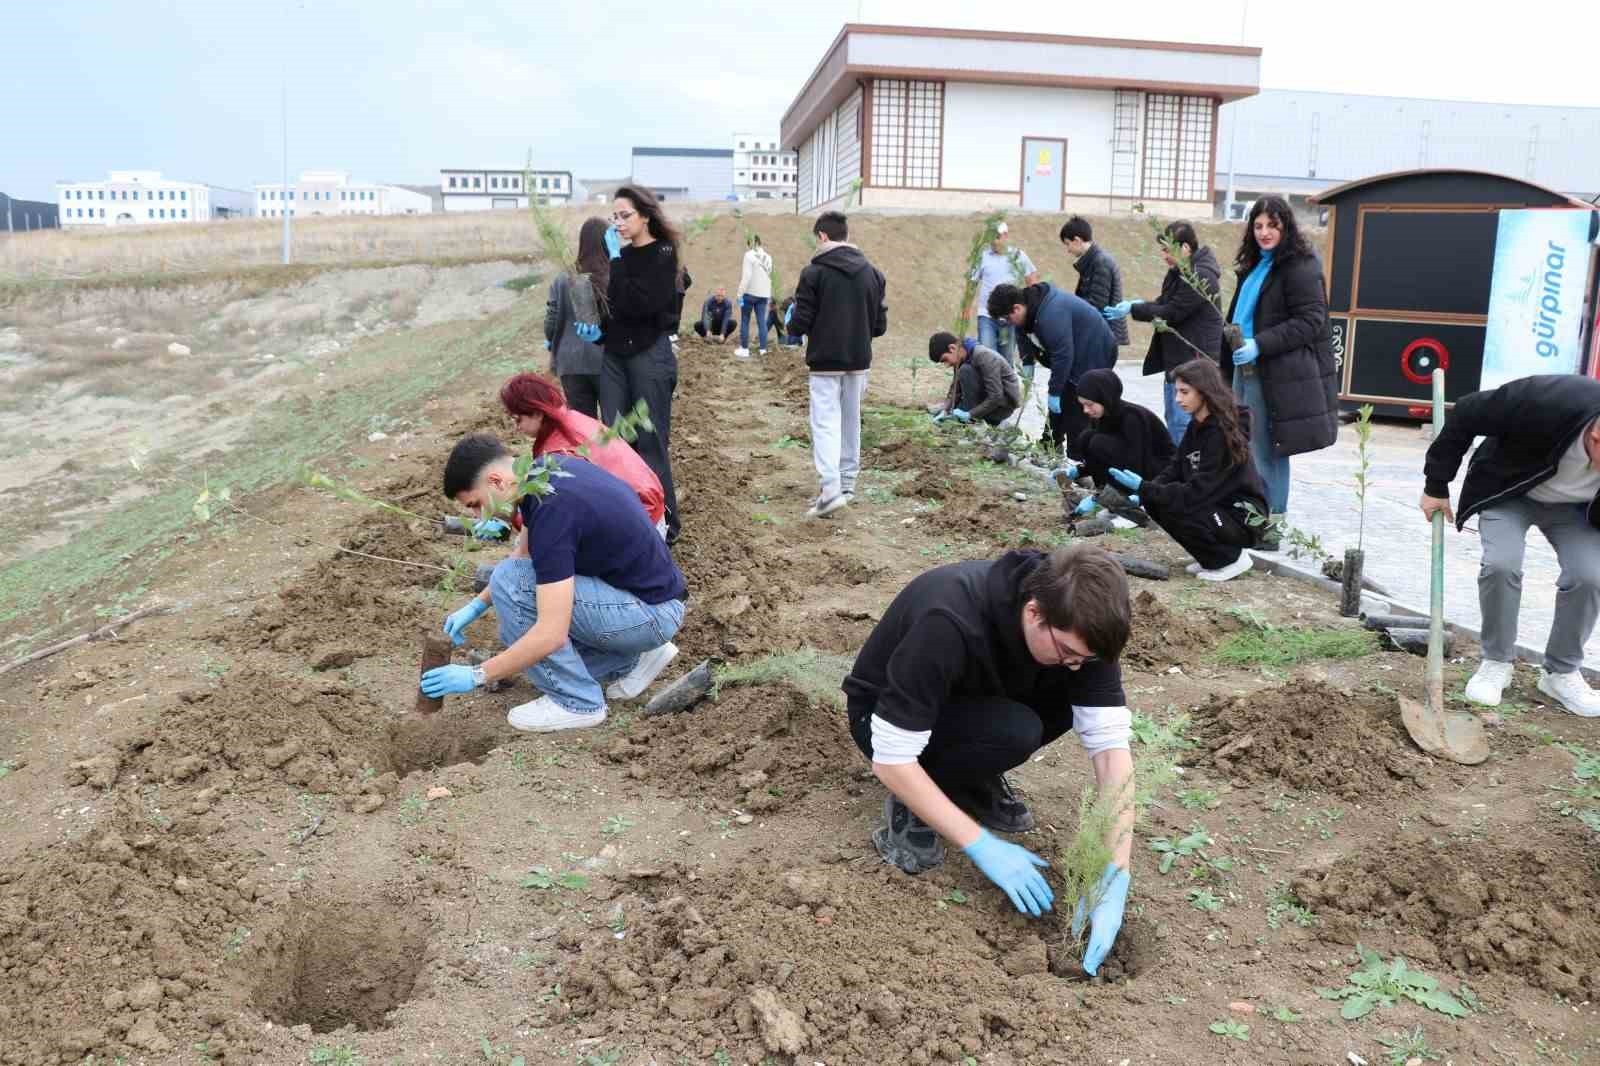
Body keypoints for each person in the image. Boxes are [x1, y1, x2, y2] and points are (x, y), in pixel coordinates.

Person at [842, 544, 1136, 973]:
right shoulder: (948, 618)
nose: (1077, 664)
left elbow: (1111, 753)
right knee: (1013, 731)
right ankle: (920, 795)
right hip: (883, 720)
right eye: (1068, 652)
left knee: (1063, 704)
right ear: (1034, 613)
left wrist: (1116, 869)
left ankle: (969, 771)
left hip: (969, 700)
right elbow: (891, 759)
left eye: (1086, 658)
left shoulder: (1084, 628)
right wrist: (980, 843)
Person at [422, 435, 687, 731]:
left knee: (514, 590)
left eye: (476, 504)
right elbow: (521, 554)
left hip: (648, 614)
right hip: (647, 600)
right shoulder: (545, 471)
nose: (477, 515)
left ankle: (578, 702)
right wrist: (475, 606)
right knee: (514, 598)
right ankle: (632, 659)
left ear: (496, 482)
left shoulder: (552, 511)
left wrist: (477, 675)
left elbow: (551, 634)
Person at [1421, 374, 1600, 717]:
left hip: (1577, 510)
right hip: (1509, 492)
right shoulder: (1548, 400)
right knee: (1501, 565)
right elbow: (1467, 412)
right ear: (1595, 436)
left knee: (1590, 576)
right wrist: (1436, 485)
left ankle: (1561, 673)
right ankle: (1496, 662)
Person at [1222, 195, 1338, 542]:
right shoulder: (1256, 263)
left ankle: (1272, 527)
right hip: (1245, 366)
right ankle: (1253, 517)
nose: (1264, 232)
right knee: (1245, 446)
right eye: (1258, 225)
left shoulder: (1300, 265)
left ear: (1286, 226)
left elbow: (1311, 320)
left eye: (1272, 225)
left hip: (1276, 372)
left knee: (1269, 449)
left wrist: (1260, 344)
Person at [584, 185, 683, 543]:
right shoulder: (623, 257)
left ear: (645, 216)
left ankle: (665, 524)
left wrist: (615, 260)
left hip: (648, 355)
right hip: (615, 355)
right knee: (614, 439)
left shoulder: (663, 253)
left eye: (625, 215)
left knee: (650, 439)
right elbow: (618, 307)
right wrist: (599, 333)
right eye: (614, 216)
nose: (618, 223)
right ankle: (627, 521)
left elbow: (641, 304)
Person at [1106, 359, 1265, 583]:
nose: (1178, 399)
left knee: (1182, 503)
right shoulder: (1197, 425)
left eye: (1184, 392)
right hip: (1216, 508)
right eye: (1176, 392)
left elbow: (1197, 492)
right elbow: (1176, 467)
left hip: (1242, 518)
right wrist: (1144, 491)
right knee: (1156, 501)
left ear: (1205, 392)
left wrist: (1146, 488)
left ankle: (1231, 558)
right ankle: (1211, 558)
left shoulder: (1221, 435)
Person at [790, 210, 888, 519]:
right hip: (859, 359)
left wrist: (792, 323)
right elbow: (880, 325)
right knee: (850, 420)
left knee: (825, 422)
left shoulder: (813, 273)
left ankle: (830, 489)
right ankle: (847, 484)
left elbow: (800, 322)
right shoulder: (873, 274)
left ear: (822, 236)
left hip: (825, 360)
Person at [498, 371, 667, 536]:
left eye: (518, 420)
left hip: (640, 525)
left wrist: (514, 515)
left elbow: (556, 518)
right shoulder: (572, 419)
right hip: (651, 509)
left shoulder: (559, 452)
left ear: (537, 413)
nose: (516, 428)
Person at [1102, 221, 1224, 446]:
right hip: (1177, 359)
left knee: (1183, 423)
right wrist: (1137, 305)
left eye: (1168, 250)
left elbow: (1173, 312)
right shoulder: (1179, 272)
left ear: (1185, 248)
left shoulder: (1200, 275)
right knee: (1174, 419)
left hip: (1193, 360)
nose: (1164, 256)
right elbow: (1164, 302)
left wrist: (1135, 309)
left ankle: (1189, 466)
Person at [987, 281, 1116, 456]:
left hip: (1095, 350)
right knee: (1062, 400)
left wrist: (1054, 391)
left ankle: (1079, 458)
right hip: (1075, 351)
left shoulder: (1051, 314)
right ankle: (1050, 446)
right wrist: (1027, 364)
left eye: (1008, 319)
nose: (1010, 324)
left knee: (1077, 406)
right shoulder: (1027, 310)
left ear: (1016, 308)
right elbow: (1023, 336)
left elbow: (1063, 356)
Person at [1064, 367, 1174, 492]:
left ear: (1104, 398)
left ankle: (1120, 493)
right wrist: (1081, 470)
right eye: (1082, 404)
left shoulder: (1132, 417)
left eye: (1089, 404)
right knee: (1086, 437)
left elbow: (1137, 461)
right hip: (1135, 463)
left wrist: (1139, 493)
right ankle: (1102, 489)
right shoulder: (1102, 415)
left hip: (1158, 470)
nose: (1085, 410)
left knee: (1098, 442)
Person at [543, 217, 610, 418]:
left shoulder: (563, 278)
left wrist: (550, 340)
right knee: (613, 422)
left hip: (570, 362)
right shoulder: (611, 275)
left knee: (582, 423)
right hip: (605, 361)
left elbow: (551, 319)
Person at [968, 221, 1038, 367]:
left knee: (1006, 359)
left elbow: (1032, 280)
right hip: (986, 315)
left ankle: (1005, 382)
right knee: (987, 356)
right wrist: (966, 308)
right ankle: (989, 381)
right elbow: (972, 284)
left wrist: (1031, 306)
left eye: (996, 237)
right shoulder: (982, 257)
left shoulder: (1018, 256)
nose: (993, 242)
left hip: (1010, 317)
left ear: (1005, 236)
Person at [1060, 216, 1128, 349]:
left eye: (1067, 244)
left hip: (1103, 335)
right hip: (1098, 332)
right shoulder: (1093, 261)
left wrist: (1067, 306)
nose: (1068, 250)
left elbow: (1097, 304)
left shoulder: (1100, 262)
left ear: (1077, 240)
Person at [928, 332, 1020, 427]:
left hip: (1001, 407)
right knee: (964, 371)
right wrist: (945, 410)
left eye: (945, 360)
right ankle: (969, 415)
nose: (947, 365)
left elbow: (996, 396)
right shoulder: (960, 357)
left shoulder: (984, 356)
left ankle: (979, 420)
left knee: (965, 370)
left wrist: (969, 414)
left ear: (952, 348)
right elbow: (956, 389)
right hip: (985, 401)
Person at [735, 234, 774, 358]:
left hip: (750, 293)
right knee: (761, 321)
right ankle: (763, 349)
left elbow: (746, 276)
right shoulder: (768, 257)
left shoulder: (749, 255)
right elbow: (768, 276)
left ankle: (744, 349)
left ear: (751, 243)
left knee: (745, 320)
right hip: (764, 294)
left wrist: (739, 293)